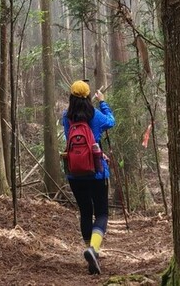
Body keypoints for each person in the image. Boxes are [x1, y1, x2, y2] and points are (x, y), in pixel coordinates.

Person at [62, 80, 115, 276]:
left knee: (85, 212)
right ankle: (93, 249)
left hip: (75, 173)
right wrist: (102, 102)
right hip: (97, 172)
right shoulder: (96, 115)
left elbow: (69, 139)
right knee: (101, 213)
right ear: (88, 96)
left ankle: (90, 252)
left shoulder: (66, 117)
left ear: (71, 96)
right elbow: (111, 121)